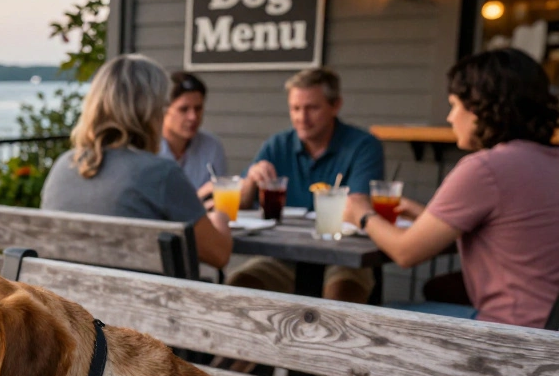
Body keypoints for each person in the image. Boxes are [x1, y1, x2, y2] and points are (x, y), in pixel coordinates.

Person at [344, 48, 559, 376]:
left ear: (484, 107)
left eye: (456, 104)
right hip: (549, 357)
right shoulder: (549, 161)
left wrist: (359, 212)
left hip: (516, 369)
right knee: (425, 306)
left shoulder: (485, 168)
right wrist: (429, 218)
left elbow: (404, 252)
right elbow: (510, 233)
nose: (449, 115)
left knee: (366, 333)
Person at [41, 54, 233, 270]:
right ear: (150, 111)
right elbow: (219, 254)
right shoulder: (161, 174)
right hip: (140, 302)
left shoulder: (62, 166)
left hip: (67, 300)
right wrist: (220, 218)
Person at [227, 67, 384, 309]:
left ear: (335, 105)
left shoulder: (363, 146)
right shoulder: (278, 145)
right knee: (237, 289)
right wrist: (250, 182)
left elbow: (357, 205)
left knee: (340, 300)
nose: (302, 117)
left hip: (344, 256)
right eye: (295, 108)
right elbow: (241, 205)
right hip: (283, 256)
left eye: (312, 107)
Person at [158, 71, 227, 193]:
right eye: (184, 109)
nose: (193, 117)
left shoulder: (212, 147)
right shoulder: (147, 149)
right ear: (163, 111)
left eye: (198, 108)